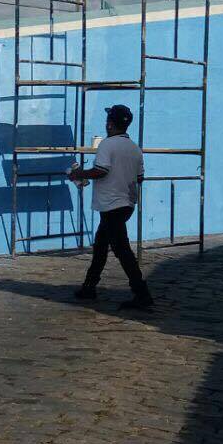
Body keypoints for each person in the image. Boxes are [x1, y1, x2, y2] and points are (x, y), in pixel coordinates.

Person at [70, 104, 153, 310]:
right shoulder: (134, 148)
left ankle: (141, 292)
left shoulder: (107, 145)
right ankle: (89, 286)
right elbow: (140, 177)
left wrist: (79, 174)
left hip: (111, 204)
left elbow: (101, 171)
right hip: (127, 203)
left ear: (109, 124)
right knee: (100, 245)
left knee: (121, 249)